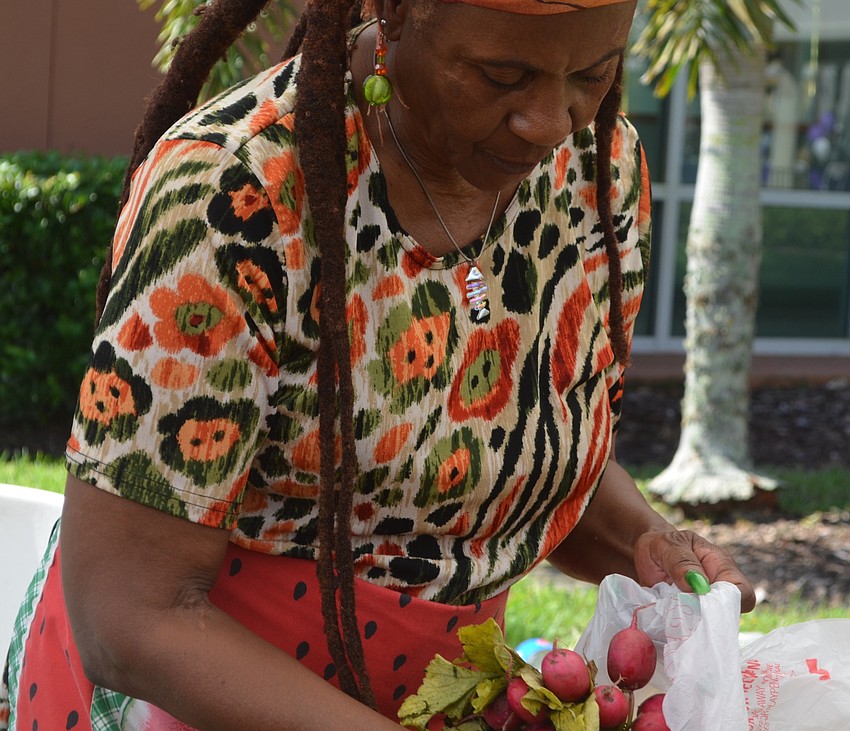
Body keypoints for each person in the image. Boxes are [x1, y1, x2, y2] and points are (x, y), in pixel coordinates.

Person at [1, 0, 756, 729]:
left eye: (594, 73)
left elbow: (512, 450)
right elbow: (126, 615)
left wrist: (642, 544)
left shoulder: (597, 172)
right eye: (501, 76)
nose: (550, 122)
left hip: (425, 702)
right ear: (393, 11)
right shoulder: (238, 190)